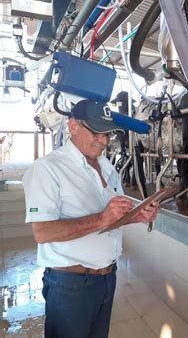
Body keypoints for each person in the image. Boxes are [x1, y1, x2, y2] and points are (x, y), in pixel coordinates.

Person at [23, 99, 159, 338]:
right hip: (70, 284)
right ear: (72, 126)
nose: (104, 141)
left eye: (107, 134)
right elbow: (42, 232)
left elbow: (112, 219)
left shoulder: (108, 167)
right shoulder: (47, 169)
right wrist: (101, 219)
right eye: (96, 132)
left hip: (107, 278)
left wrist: (136, 217)